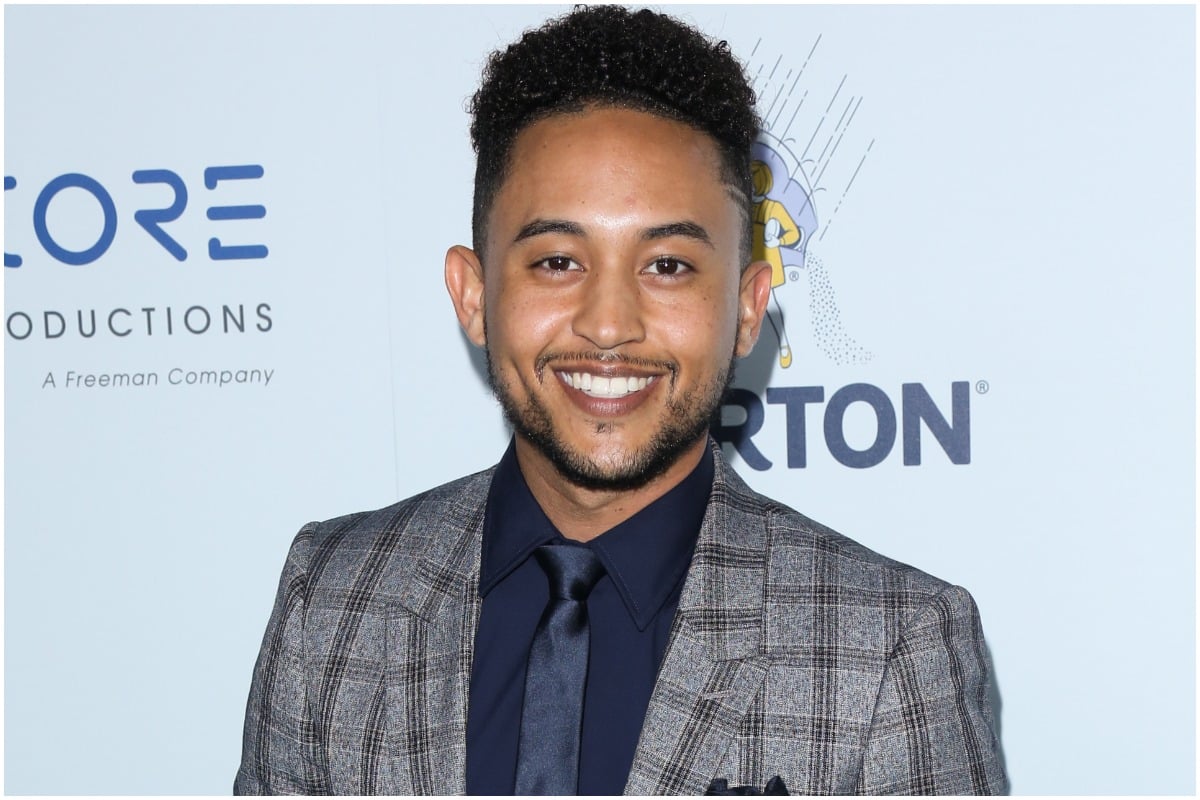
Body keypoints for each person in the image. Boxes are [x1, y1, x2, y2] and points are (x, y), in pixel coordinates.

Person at [235, 6, 1007, 795]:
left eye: (667, 265)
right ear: (472, 294)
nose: (609, 324)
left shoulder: (888, 649)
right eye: (558, 261)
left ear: (748, 308)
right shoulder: (330, 600)